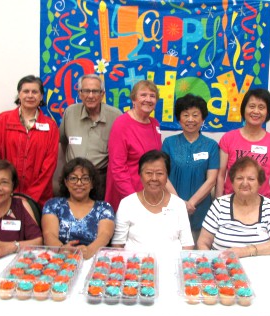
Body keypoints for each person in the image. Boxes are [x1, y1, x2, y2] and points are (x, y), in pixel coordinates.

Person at [198, 157, 270, 257]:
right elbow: (203, 242)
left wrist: (246, 251)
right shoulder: (219, 204)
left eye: (251, 179)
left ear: (260, 183)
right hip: (223, 269)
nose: (245, 183)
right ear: (232, 182)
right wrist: (211, 264)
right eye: (239, 178)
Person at [0, 75, 59, 207]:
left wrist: (30, 197)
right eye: (26, 91)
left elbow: (49, 166)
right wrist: (6, 189)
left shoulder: (50, 126)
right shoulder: (2, 121)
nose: (30, 96)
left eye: (35, 92)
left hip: (39, 198)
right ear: (19, 95)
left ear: (41, 97)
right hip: (6, 194)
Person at [112, 150, 194, 253]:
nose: (154, 178)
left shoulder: (178, 204)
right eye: (149, 173)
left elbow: (187, 245)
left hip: (172, 266)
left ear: (167, 176)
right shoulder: (127, 204)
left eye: (159, 173)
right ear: (140, 175)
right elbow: (118, 244)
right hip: (136, 266)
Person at [162, 94, 219, 242]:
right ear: (179, 119)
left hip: (200, 210)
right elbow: (163, 176)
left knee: (197, 254)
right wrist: (180, 204)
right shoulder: (169, 143)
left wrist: (191, 203)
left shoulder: (211, 145)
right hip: (172, 206)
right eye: (185, 115)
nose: (190, 119)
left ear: (202, 118)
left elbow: (212, 180)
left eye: (195, 115)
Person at [215, 89, 270, 206]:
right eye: (251, 106)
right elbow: (220, 175)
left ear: (267, 112)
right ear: (244, 109)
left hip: (261, 205)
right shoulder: (228, 138)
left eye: (261, 107)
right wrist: (218, 203)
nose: (256, 111)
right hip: (231, 202)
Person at [58, 74, 122, 200]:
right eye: (86, 91)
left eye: (95, 91)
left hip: (100, 179)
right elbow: (63, 142)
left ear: (102, 94)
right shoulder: (70, 112)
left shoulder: (115, 116)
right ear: (80, 93)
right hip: (72, 179)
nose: (90, 96)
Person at [105, 80, 162, 212]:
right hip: (126, 196)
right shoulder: (121, 124)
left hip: (149, 193)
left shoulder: (155, 124)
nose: (148, 99)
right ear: (134, 99)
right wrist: (133, 200)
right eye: (143, 95)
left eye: (152, 96)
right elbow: (117, 167)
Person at [42, 158, 115, 259]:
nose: (79, 183)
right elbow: (49, 234)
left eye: (85, 178)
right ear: (66, 182)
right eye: (73, 178)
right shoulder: (53, 205)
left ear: (92, 183)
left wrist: (88, 251)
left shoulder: (104, 208)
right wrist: (62, 249)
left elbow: (105, 235)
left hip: (93, 258)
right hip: (59, 259)